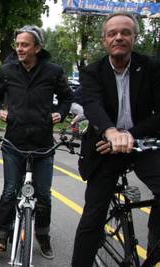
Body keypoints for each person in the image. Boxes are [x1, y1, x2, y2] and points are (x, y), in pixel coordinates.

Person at [72, 13, 160, 267]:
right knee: (92, 219)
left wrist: (129, 136)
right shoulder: (92, 72)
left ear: (134, 37)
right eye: (112, 33)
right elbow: (92, 104)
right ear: (104, 40)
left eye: (125, 32)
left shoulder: (152, 68)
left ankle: (154, 243)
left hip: (141, 142)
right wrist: (110, 133)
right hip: (104, 146)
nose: (118, 37)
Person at [0, 25, 73, 259]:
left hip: (43, 144)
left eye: (24, 45)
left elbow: (67, 98)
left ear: (37, 47)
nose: (19, 49)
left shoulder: (53, 71)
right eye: (17, 45)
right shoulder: (7, 70)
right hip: (14, 143)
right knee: (9, 191)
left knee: (44, 195)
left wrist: (61, 113)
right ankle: (2, 235)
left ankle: (43, 236)